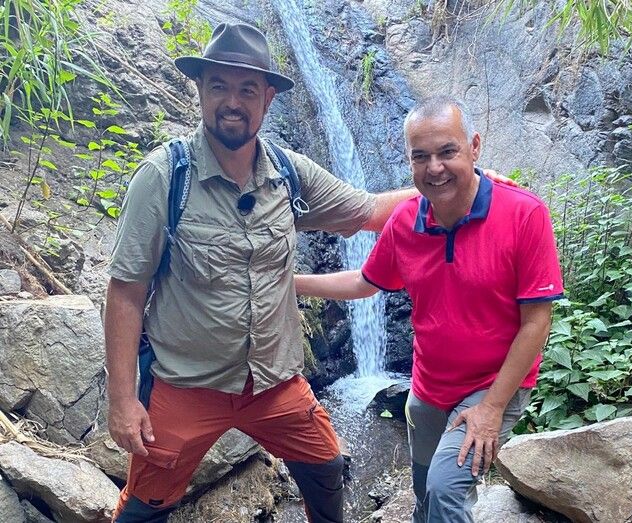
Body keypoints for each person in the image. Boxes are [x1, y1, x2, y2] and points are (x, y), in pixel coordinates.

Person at [104, 22, 417, 523]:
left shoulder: (289, 174)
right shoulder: (164, 177)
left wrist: (461, 183)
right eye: (219, 86)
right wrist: (122, 400)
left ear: (268, 98)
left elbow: (371, 211)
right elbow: (125, 293)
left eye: (247, 89)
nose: (233, 102)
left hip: (274, 383)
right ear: (200, 90)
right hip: (185, 386)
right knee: (146, 504)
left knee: (327, 466)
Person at [295, 97, 565, 522]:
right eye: (420, 156)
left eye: (447, 151)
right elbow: (365, 282)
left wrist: (492, 408)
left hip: (493, 385)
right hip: (427, 389)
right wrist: (289, 282)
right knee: (424, 494)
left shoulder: (524, 214)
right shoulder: (405, 220)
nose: (434, 168)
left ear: (474, 147)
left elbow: (537, 322)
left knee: (444, 490)